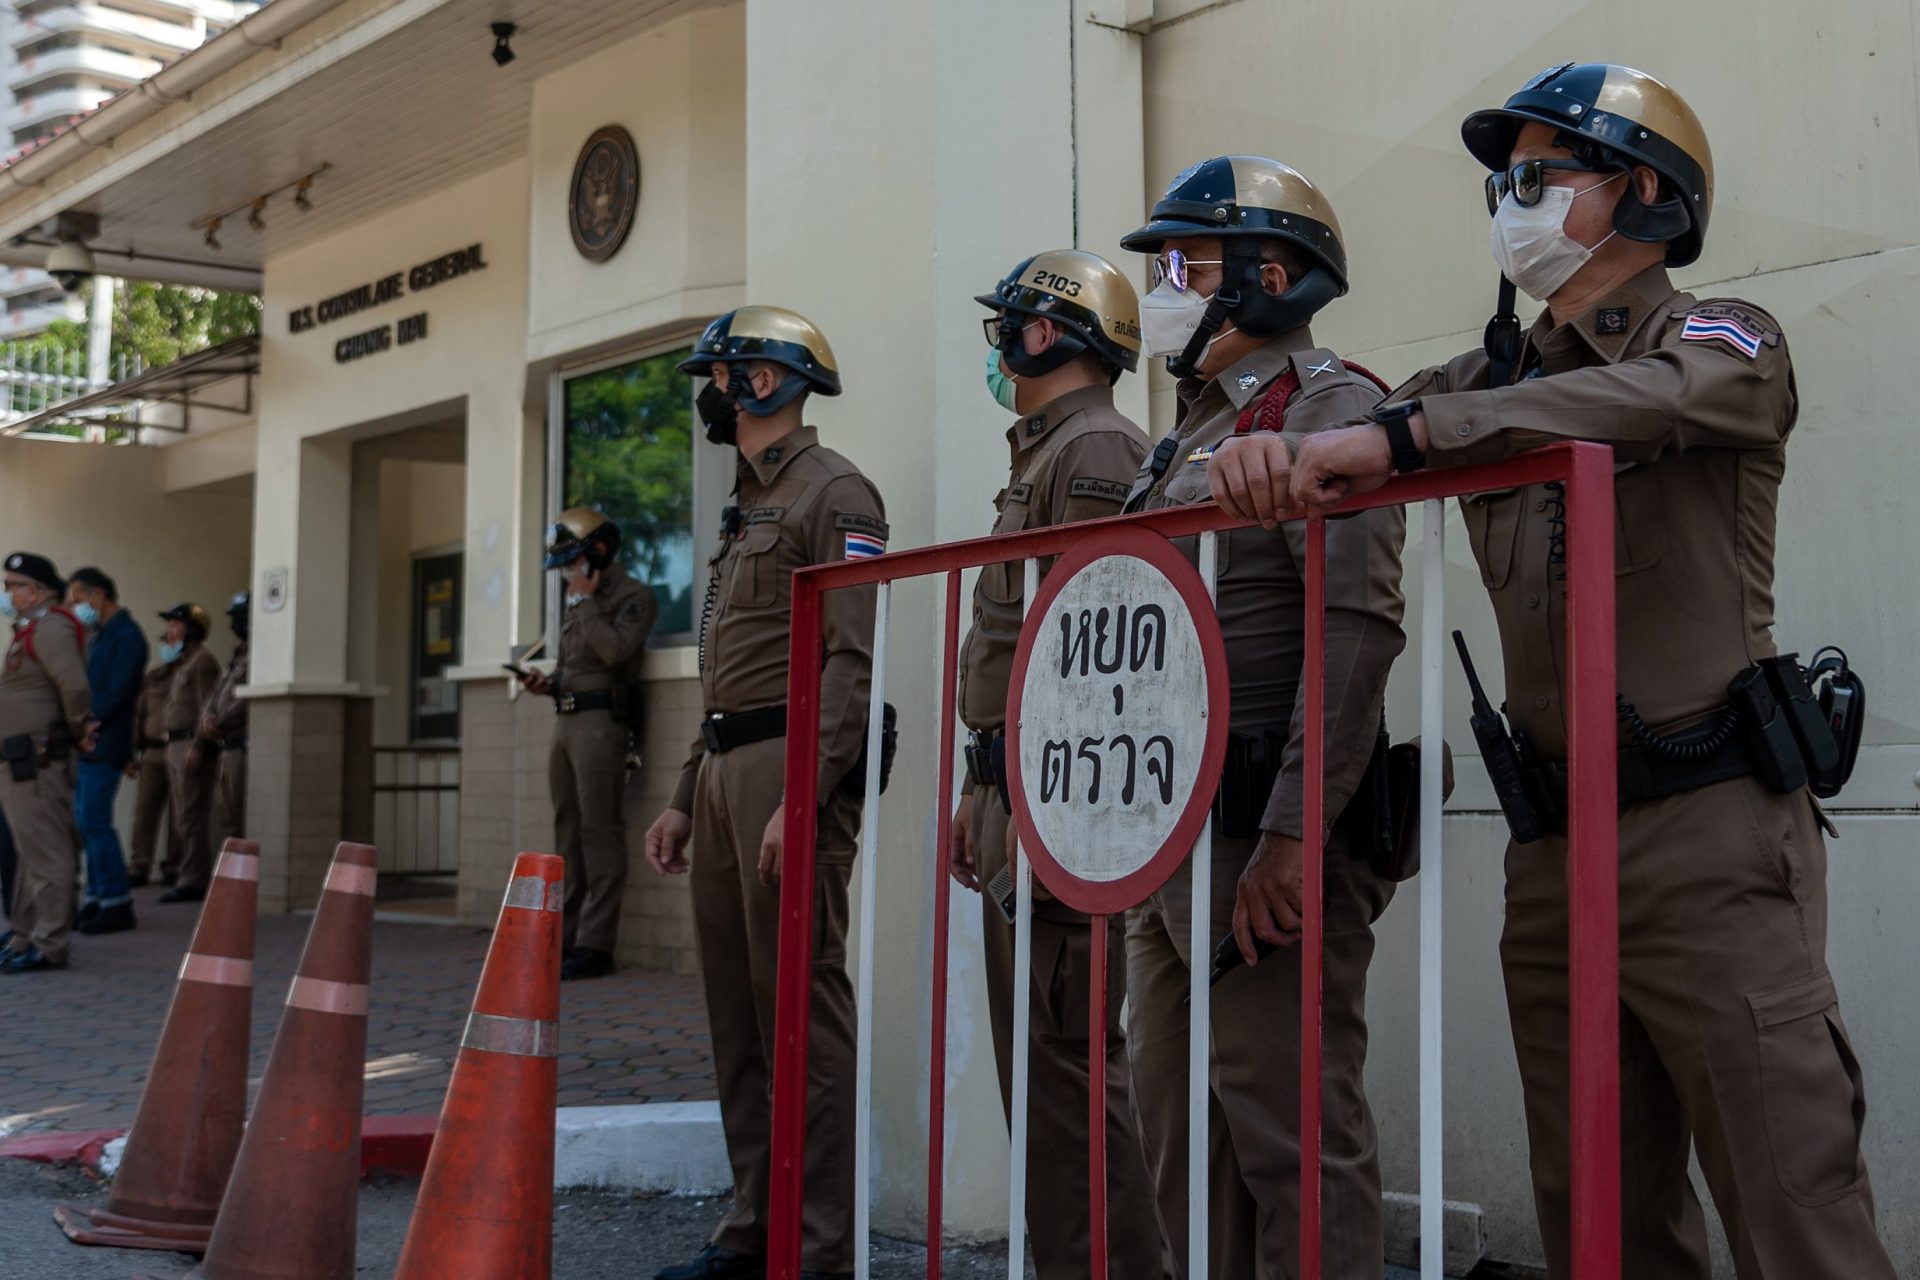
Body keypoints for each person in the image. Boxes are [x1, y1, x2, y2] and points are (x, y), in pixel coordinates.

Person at [1208, 64, 1896, 1280]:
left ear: (1643, 194)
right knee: (1601, 1220)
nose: (1506, 203)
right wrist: (1268, 456)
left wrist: (1408, 437)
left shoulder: (1723, 337)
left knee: (1795, 1210)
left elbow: (1635, 398)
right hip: (1555, 851)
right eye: (1499, 181)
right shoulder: (1487, 381)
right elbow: (1353, 430)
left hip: (1712, 842)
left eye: (1536, 177)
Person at [1118, 155, 1406, 1278]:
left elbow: (1356, 625)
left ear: (1268, 274)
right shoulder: (1184, 433)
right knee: (1180, 1127)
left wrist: (1291, 833)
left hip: (1256, 829)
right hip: (1168, 828)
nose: (1163, 288)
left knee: (1289, 1132)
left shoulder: (1328, 403)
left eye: (1182, 263)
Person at [644, 306, 882, 1280]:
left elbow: (849, 665)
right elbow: (728, 670)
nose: (713, 393)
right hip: (729, 767)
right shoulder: (745, 504)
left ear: (769, 380)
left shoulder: (839, 494)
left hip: (792, 768)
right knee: (739, 1014)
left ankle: (817, 1248)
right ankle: (755, 1228)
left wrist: (806, 796)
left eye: (725, 374)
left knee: (802, 1011)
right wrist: (681, 794)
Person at [949, 249, 1160, 1276]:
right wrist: (974, 781)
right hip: (1011, 789)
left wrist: (1020, 793)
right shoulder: (1043, 452)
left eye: (1009, 324)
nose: (997, 343)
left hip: (1057, 801)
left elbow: (1092, 658)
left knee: (1069, 1064)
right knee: (1039, 1072)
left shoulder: (1096, 452)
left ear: (1044, 334)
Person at [515, 509, 657, 981]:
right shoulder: (580, 602)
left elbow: (616, 652)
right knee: (567, 833)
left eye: (573, 562)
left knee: (599, 831)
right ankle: (568, 938)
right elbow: (576, 667)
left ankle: (596, 945)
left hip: (601, 725)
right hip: (568, 720)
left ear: (596, 555)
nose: (568, 574)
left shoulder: (630, 596)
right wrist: (547, 683)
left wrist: (589, 602)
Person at [0, 552, 91, 972]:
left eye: (12, 585)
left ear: (34, 590)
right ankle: (24, 935)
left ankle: (50, 943)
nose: (6, 594)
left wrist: (76, 729)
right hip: (19, 759)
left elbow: (73, 685)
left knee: (49, 852)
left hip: (36, 758)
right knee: (27, 852)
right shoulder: (30, 629)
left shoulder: (51, 627)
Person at [67, 566, 149, 935]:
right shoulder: (100, 635)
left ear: (98, 595)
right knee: (87, 823)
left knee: (96, 822)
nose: (76, 607)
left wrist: (88, 720)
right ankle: (98, 898)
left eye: (79, 600)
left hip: (106, 742)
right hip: (90, 743)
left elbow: (118, 689)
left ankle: (117, 901)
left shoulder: (128, 635)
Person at [156, 602, 221, 904]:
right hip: (175, 743)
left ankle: (193, 877)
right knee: (182, 813)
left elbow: (206, 707)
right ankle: (186, 871)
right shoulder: (185, 662)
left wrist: (198, 746)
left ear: (192, 629)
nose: (169, 631)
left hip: (189, 745)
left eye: (175, 624)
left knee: (191, 814)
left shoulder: (202, 662)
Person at [127, 649, 184, 887]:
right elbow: (139, 713)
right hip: (151, 751)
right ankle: (140, 865)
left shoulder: (193, 671)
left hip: (178, 747)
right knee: (145, 812)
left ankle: (174, 866)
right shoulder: (154, 676)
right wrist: (132, 750)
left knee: (179, 813)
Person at [197, 591, 251, 842]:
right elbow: (218, 692)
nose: (235, 624)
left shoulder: (260, 654)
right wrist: (207, 718)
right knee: (226, 816)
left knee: (239, 819)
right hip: (224, 745)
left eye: (240, 617)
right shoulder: (237, 655)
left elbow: (246, 699)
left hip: (241, 745)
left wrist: (219, 721)